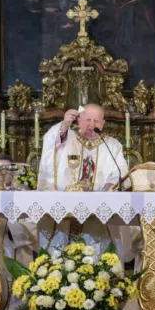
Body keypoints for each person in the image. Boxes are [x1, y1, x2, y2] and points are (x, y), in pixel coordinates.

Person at [37, 104, 130, 255]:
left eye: (96, 121)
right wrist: (64, 124)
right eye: (87, 120)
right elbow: (51, 143)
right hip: (64, 207)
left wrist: (110, 186)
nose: (92, 124)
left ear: (103, 123)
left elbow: (121, 171)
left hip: (98, 209)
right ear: (79, 120)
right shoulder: (67, 137)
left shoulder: (112, 145)